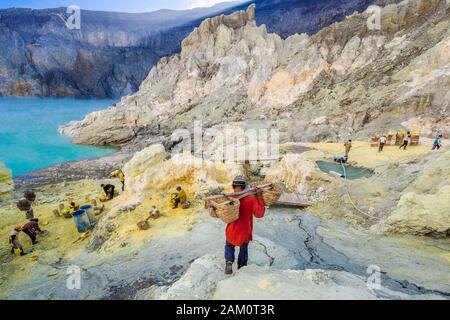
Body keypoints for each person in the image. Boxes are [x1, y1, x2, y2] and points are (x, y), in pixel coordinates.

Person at [224, 176, 265, 275]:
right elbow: (259, 214)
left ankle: (229, 261)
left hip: (231, 229)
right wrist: (259, 197)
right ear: (244, 186)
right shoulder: (251, 199)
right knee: (243, 250)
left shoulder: (230, 198)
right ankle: (241, 268)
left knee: (229, 245)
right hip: (244, 231)